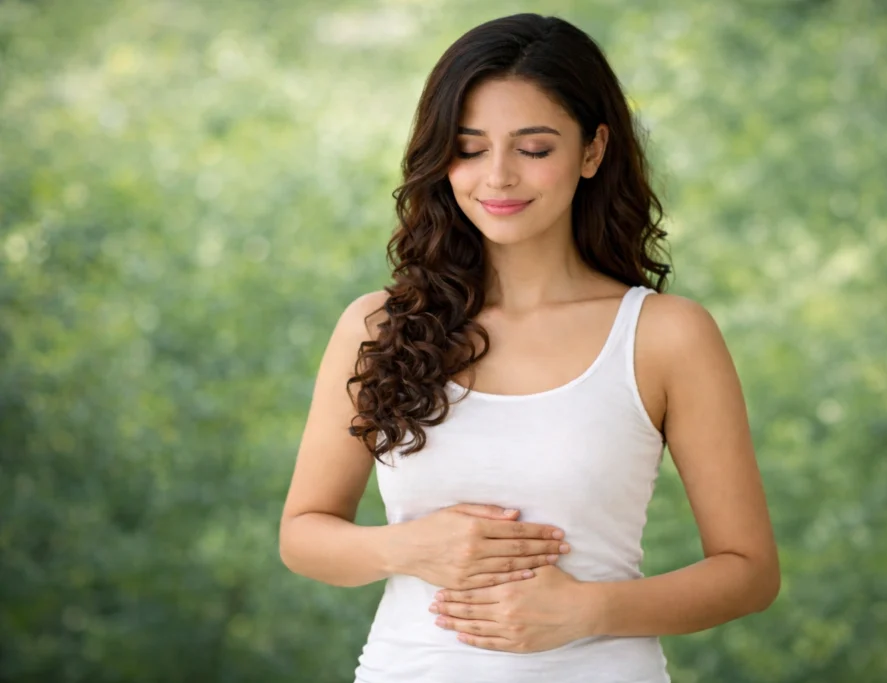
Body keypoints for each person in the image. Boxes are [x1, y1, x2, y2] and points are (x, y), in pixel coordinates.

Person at [278, 12, 779, 683]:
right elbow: (303, 534)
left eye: (534, 149)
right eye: (469, 147)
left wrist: (589, 611)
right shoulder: (379, 325)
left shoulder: (666, 335)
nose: (498, 178)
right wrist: (409, 546)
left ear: (594, 150)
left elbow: (749, 572)